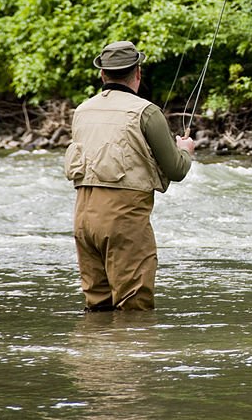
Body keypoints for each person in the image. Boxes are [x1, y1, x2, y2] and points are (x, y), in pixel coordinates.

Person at [64, 40, 195, 311]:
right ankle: (130, 353)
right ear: (138, 72)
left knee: (97, 304)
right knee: (134, 307)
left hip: (83, 219)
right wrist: (185, 151)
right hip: (123, 219)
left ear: (102, 74)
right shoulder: (146, 112)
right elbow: (176, 170)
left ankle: (94, 351)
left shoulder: (82, 111)